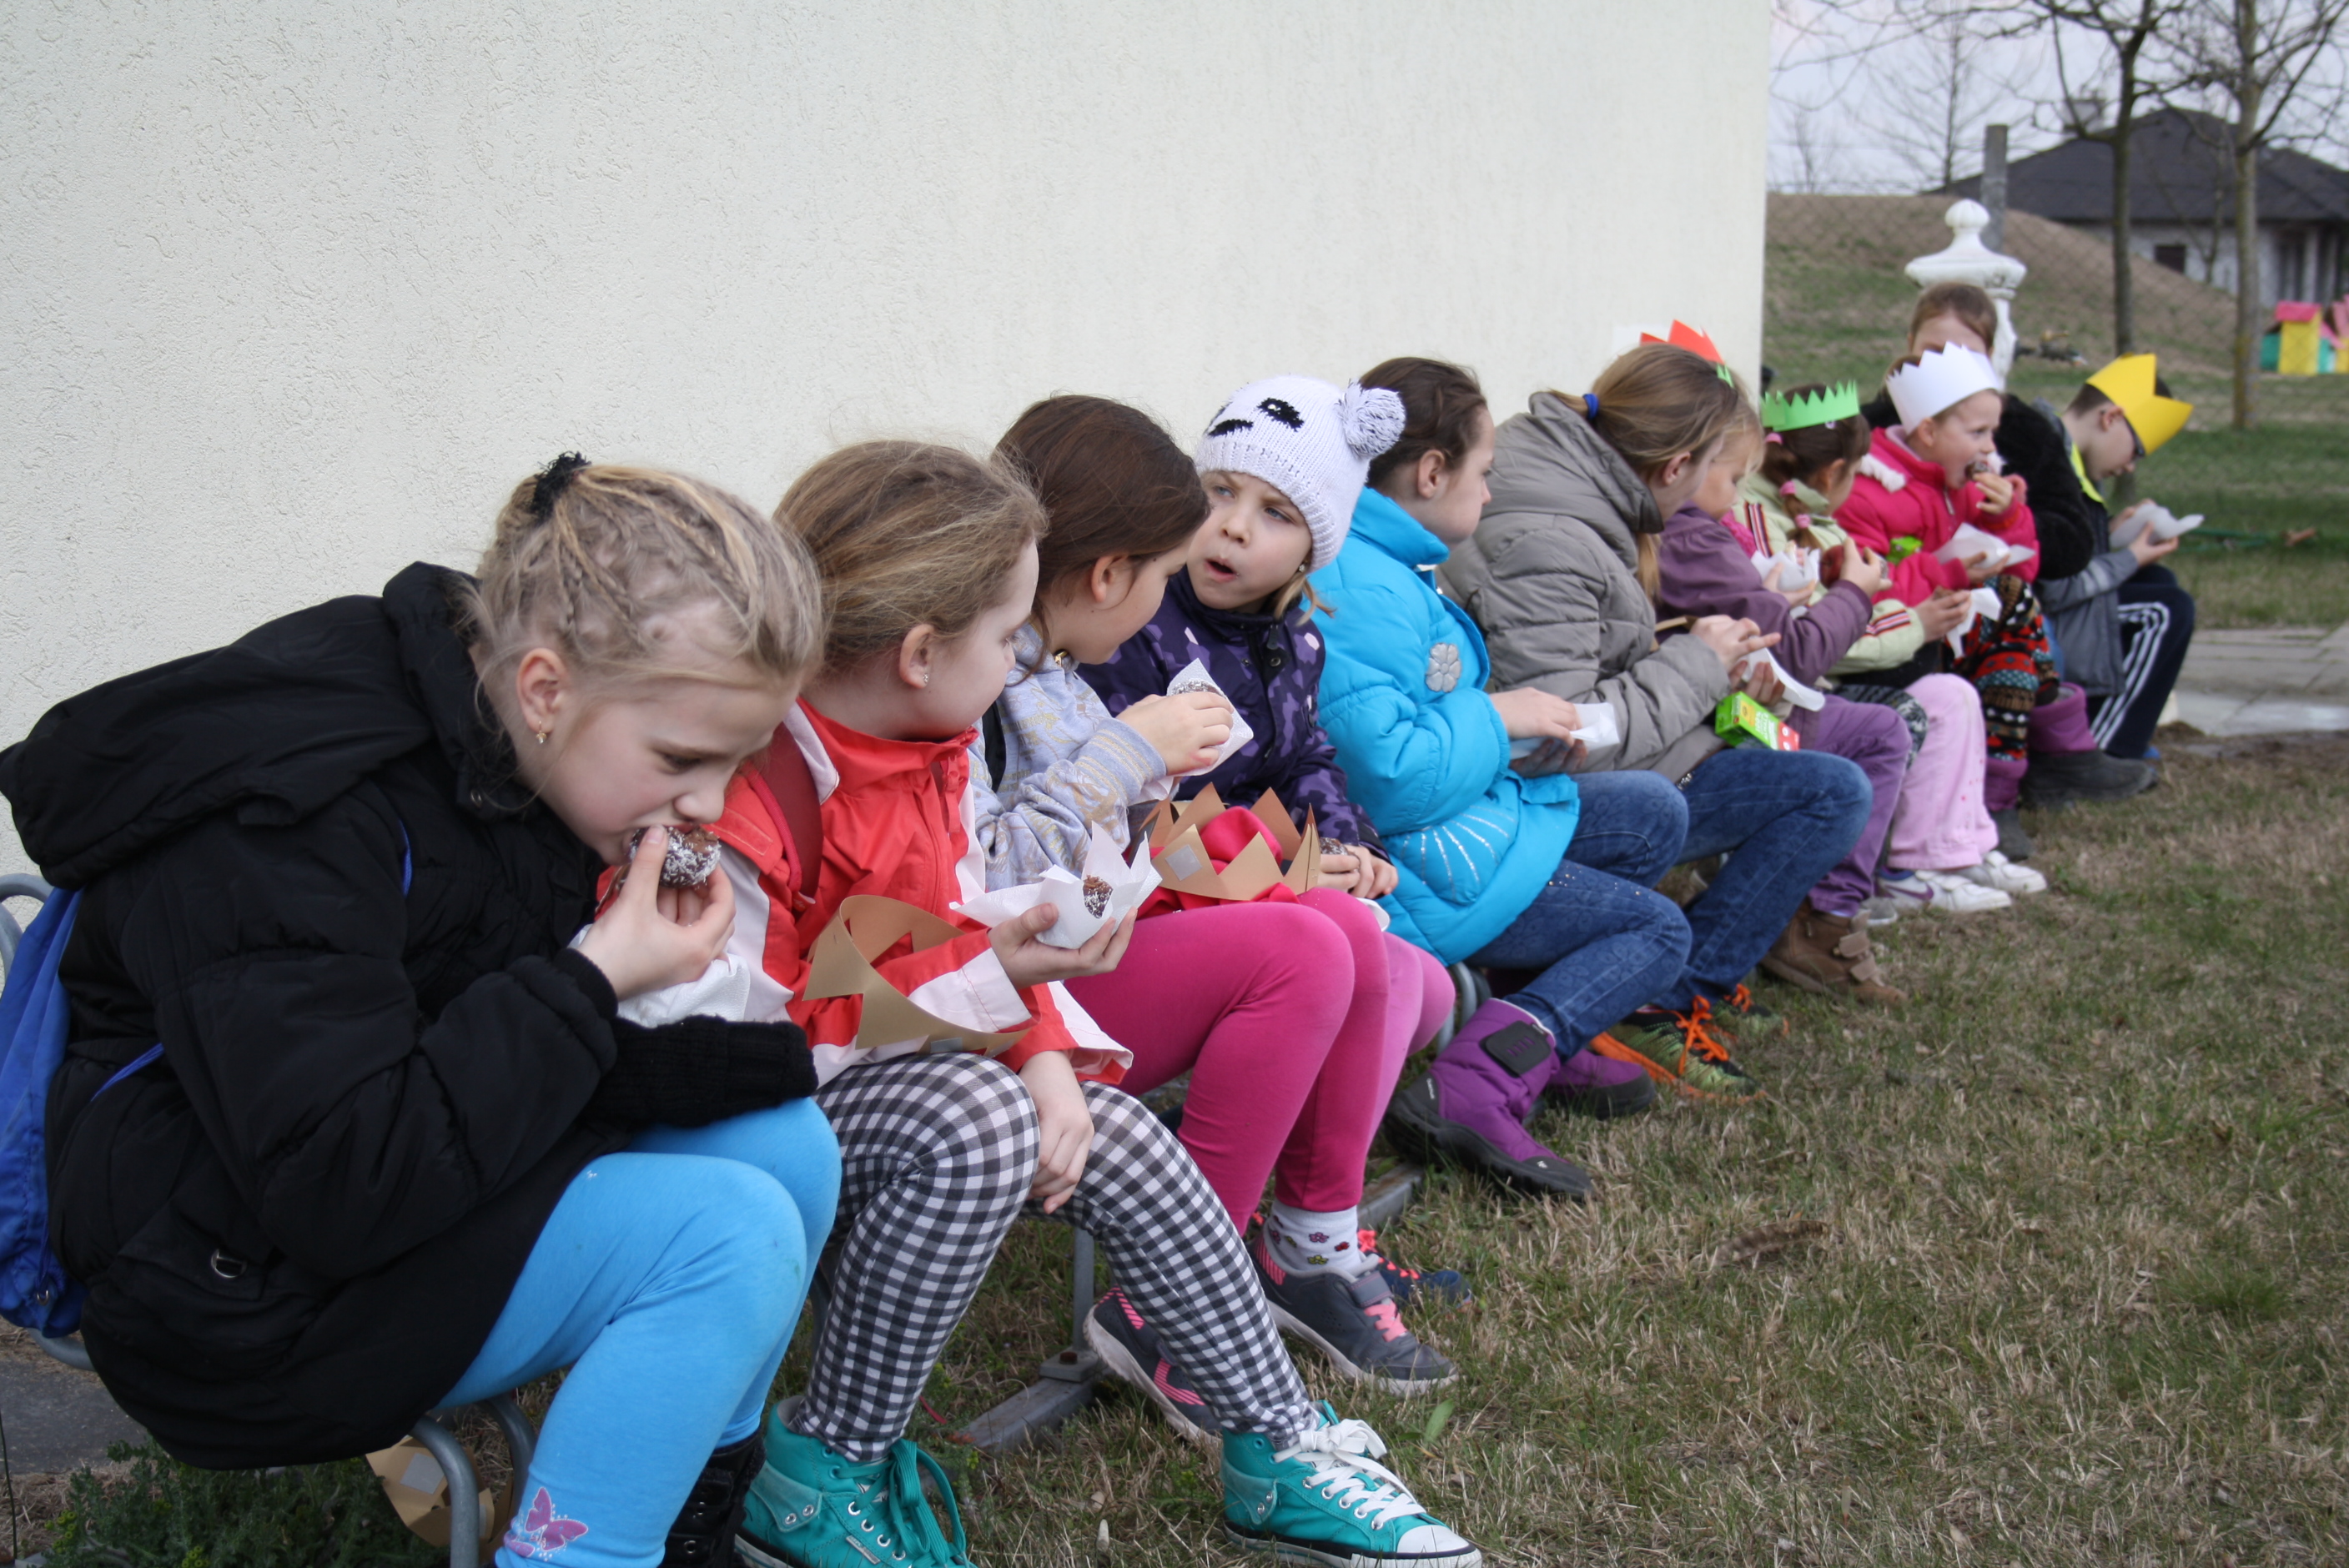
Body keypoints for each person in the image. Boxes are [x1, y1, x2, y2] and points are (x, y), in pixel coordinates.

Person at [0, 459, 843, 1568]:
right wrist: (593, 978)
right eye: (684, 758)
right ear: (545, 689)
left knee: (784, 1144)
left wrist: (700, 1047)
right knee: (727, 1240)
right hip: (228, 1289)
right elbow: (340, 1180)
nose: (710, 804)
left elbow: (454, 1049)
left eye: (735, 763)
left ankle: (692, 1521)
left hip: (382, 1193)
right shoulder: (292, 820)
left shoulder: (508, 754)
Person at [727, 439, 1482, 1568]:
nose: (1020, 663)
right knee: (982, 1120)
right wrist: (1004, 996)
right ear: (923, 653)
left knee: (1114, 1128)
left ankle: (1276, 1443)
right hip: (762, 1114)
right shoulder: (760, 783)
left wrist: (1041, 1052)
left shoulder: (926, 748)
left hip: (889, 1071)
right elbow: (762, 1040)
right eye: (1006, 640)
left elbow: (953, 925)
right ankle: (825, 1467)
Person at [978, 390, 1460, 1401]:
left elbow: (1277, 772)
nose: (1226, 533)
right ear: (1110, 576)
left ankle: (1303, 1250)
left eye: (1271, 511)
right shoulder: (985, 675)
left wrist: (1327, 851)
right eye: (1208, 508)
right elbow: (987, 876)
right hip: (1011, 995)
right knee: (1308, 949)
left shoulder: (1058, 663)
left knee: (1347, 930)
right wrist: (1136, 763)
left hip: (1080, 956)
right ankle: (1176, 1299)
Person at [1431, 344, 1884, 1056]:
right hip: (1543, 796)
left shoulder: (1570, 484)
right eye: (1715, 471)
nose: (1715, 492)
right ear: (1676, 468)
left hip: (1597, 767)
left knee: (1831, 785)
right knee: (1823, 793)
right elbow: (1564, 737)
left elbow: (1581, 661)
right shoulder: (1551, 539)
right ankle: (1652, 1000)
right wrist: (1697, 665)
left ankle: (1670, 986)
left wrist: (1709, 663)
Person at [1735, 384, 2040, 914]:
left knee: (1951, 694)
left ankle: (1950, 850)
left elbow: (1852, 608)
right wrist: (1916, 623)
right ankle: (1853, 881)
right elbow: (1814, 638)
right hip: (1756, 713)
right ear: (1834, 474)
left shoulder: (1815, 520)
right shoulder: (1764, 528)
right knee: (1898, 719)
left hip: (1805, 691)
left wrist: (1913, 611)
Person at [1865, 282, 2155, 837]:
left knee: (2013, 612)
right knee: (2011, 627)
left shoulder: (2020, 430)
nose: (1945, 366)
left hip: (1994, 599)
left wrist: (2004, 518)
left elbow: (2070, 542)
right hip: (1911, 605)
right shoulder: (1872, 433)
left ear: (1992, 356)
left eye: (1965, 354)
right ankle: (2049, 759)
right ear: (1908, 346)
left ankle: (2009, 788)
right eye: (1931, 351)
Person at [1656, 398, 1927, 950]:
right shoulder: (1692, 535)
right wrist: (1855, 594)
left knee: (1873, 730)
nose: (1737, 497)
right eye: (1734, 478)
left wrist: (1771, 603)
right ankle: (1816, 919)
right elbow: (1797, 655)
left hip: (1725, 713)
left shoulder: (1696, 531)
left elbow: (1756, 631)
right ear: (1687, 465)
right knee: (1875, 739)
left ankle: (1804, 911)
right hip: (1711, 731)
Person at [1995, 354, 2199, 763]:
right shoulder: (2047, 461)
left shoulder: (2071, 459)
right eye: (2136, 450)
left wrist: (2110, 534)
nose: (2129, 466)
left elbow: (2069, 550)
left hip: (2056, 610)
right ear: (2112, 417)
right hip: (2035, 616)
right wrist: (2130, 558)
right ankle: (2104, 749)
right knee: (2165, 611)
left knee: (2159, 583)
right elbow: (2055, 585)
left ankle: (2116, 729)